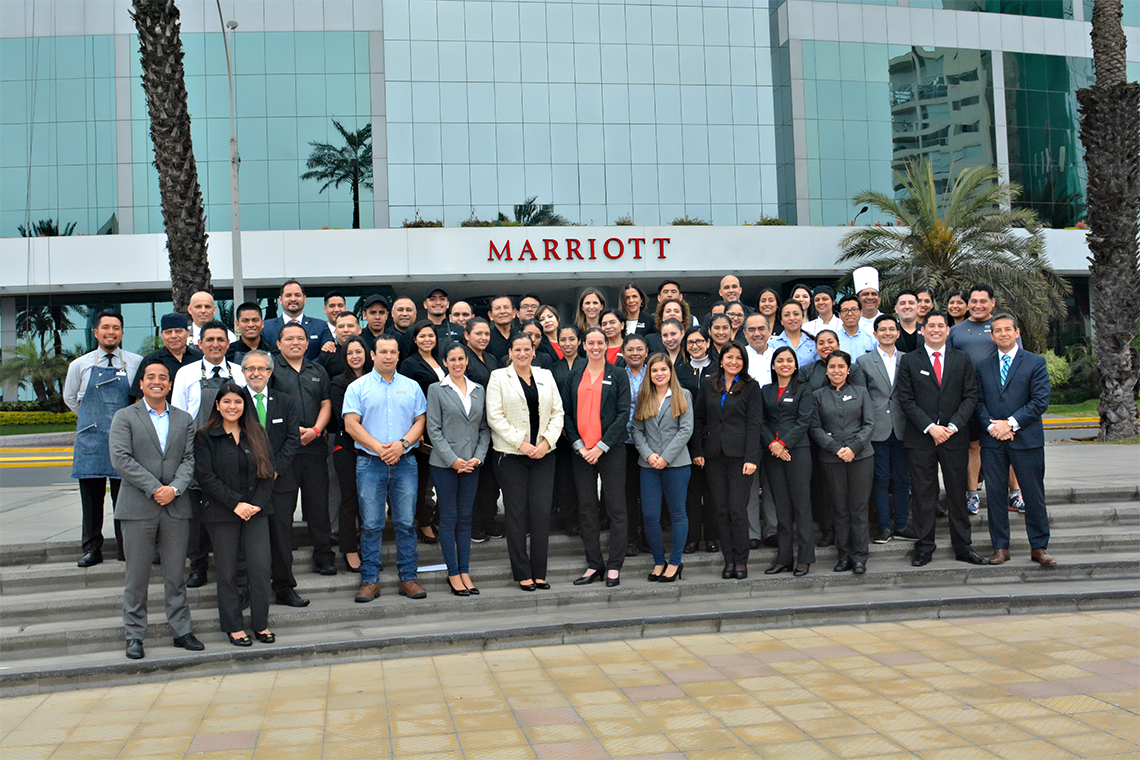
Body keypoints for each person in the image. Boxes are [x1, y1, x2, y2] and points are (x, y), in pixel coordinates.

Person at [109, 360, 203, 660]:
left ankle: (181, 630)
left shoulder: (184, 419)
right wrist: (155, 488)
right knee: (137, 578)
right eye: (151, 377)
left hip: (176, 506)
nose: (157, 381)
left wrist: (174, 489)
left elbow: (189, 459)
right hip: (138, 507)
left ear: (170, 384)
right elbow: (121, 459)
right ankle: (135, 635)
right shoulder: (125, 416)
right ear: (141, 383)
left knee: (176, 575)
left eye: (163, 377)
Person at [896, 312, 986, 567]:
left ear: (948, 330)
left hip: (954, 437)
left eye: (940, 326)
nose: (936, 329)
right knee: (923, 495)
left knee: (957, 493)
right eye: (931, 326)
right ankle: (925, 546)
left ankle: (963, 546)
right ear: (923, 330)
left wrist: (952, 426)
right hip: (921, 438)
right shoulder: (910, 360)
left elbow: (970, 396)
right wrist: (930, 427)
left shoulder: (962, 359)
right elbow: (906, 399)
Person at [342, 334, 428, 603]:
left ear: (399, 355)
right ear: (373, 355)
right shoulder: (358, 387)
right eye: (383, 352)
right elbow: (351, 425)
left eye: (393, 352)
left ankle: (409, 578)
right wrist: (380, 448)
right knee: (370, 525)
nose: (388, 356)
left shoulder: (412, 386)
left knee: (406, 523)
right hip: (370, 463)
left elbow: (420, 421)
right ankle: (369, 580)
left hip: (406, 462)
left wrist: (402, 445)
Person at [194, 383, 276, 647]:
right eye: (227, 402)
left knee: (261, 569)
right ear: (217, 405)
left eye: (238, 402)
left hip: (256, 512)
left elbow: (268, 472)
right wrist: (236, 504)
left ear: (245, 405)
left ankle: (260, 623)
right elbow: (205, 477)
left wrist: (255, 505)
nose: (232, 407)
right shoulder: (205, 436)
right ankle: (234, 627)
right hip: (222, 513)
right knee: (227, 572)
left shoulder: (257, 432)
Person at [486, 333, 565, 591]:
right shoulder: (498, 377)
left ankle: (540, 572)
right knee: (517, 513)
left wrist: (546, 442)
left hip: (544, 455)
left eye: (527, 349)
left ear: (533, 351)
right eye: (517, 349)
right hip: (511, 456)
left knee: (541, 512)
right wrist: (521, 443)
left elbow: (558, 412)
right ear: (510, 352)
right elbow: (495, 417)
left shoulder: (545, 375)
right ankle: (522, 571)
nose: (522, 353)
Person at [64, 309, 143, 567]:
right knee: (91, 500)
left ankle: (126, 548)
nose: (111, 332)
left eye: (116, 328)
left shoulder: (135, 362)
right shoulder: (80, 365)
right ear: (96, 332)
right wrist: (93, 420)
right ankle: (91, 549)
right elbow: (70, 398)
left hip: (125, 441)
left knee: (125, 500)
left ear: (122, 333)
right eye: (106, 327)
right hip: (91, 441)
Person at [171, 320, 246, 588]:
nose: (216, 344)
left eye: (221, 339)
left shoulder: (240, 373)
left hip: (233, 449)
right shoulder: (186, 373)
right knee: (198, 514)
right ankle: (198, 567)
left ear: (228, 343)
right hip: (198, 449)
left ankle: (238, 567)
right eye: (210, 340)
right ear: (199, 344)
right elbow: (178, 416)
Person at [976, 314, 1055, 566]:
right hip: (993, 441)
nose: (1003, 334)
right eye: (998, 330)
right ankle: (1001, 547)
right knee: (995, 495)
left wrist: (1010, 424)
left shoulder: (1035, 362)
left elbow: (1039, 401)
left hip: (1026, 439)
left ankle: (1039, 547)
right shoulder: (982, 366)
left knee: (1033, 494)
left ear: (1017, 332)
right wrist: (993, 427)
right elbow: (977, 402)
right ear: (992, 336)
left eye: (1007, 329)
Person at [950, 283, 1023, 516]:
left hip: (1001, 397)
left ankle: (1015, 494)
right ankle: (972, 494)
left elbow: (1017, 361)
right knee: (973, 446)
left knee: (1009, 443)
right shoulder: (956, 331)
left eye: (983, 301)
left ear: (992, 303)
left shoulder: (1002, 327)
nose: (978, 305)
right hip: (969, 398)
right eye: (973, 301)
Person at [565, 327, 630, 587]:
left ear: (606, 344)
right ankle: (594, 564)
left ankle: (614, 566)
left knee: (616, 508)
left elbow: (623, 414)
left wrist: (601, 446)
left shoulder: (618, 373)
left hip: (610, 450)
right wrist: (580, 446)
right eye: (590, 342)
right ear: (583, 345)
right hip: (581, 452)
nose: (595, 347)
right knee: (587, 508)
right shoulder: (574, 375)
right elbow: (566, 414)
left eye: (600, 342)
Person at [239, 350, 305, 607]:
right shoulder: (235, 400)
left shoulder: (285, 401)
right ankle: (246, 589)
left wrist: (275, 469)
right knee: (246, 539)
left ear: (270, 372)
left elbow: (292, 439)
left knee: (281, 536)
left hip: (280, 482)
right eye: (250, 369)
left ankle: (284, 587)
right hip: (245, 483)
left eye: (262, 368)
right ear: (243, 372)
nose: (256, 373)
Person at [270, 322, 336, 576]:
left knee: (318, 507)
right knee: (282, 511)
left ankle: (324, 557)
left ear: (308, 343)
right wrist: (292, 431)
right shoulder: (271, 369)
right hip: (283, 451)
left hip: (314, 448)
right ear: (279, 344)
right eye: (289, 338)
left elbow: (326, 404)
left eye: (300, 338)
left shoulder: (317, 369)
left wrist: (316, 430)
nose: (295, 342)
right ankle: (282, 562)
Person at [692, 342, 763, 580]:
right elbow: (699, 418)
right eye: (729, 357)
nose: (734, 362)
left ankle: (741, 560)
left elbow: (754, 424)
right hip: (713, 456)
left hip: (741, 457)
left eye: (739, 358)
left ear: (744, 362)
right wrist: (698, 450)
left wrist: (751, 457)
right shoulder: (708, 384)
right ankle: (728, 560)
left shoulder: (751, 387)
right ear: (721, 360)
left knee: (737, 509)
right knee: (721, 510)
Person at [427, 344, 491, 596]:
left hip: (471, 465)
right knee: (449, 518)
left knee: (465, 518)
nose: (457, 363)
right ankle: (452, 572)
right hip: (445, 465)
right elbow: (433, 429)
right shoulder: (436, 389)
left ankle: (465, 570)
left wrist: (478, 458)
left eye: (461, 359)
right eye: (452, 359)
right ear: (444, 362)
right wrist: (453, 460)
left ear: (467, 361)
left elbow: (484, 428)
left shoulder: (478, 389)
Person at [810, 351, 875, 575]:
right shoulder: (817, 396)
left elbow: (869, 424)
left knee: (858, 508)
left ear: (848, 370)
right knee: (839, 508)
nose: (836, 371)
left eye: (841, 366)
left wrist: (854, 448)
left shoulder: (861, 392)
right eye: (832, 367)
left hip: (861, 457)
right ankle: (844, 555)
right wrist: (835, 448)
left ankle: (860, 557)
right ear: (826, 370)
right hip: (832, 458)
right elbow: (815, 427)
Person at [631, 354, 693, 583]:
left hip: (676, 464)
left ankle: (675, 562)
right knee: (650, 515)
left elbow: (686, 430)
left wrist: (665, 458)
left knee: (677, 514)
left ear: (670, 371)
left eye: (663, 370)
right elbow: (636, 430)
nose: (659, 374)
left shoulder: (683, 395)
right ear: (649, 374)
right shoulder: (643, 396)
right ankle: (659, 561)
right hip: (649, 465)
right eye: (654, 370)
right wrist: (649, 455)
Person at [856, 316, 912, 544]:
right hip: (877, 428)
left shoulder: (908, 359)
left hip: (903, 427)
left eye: (891, 329)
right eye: (882, 329)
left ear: (898, 333)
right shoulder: (863, 361)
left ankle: (902, 525)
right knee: (880, 479)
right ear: (875, 334)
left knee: (902, 479)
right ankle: (884, 526)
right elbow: (861, 396)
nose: (887, 333)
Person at [760, 346, 816, 577]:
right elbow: (760, 421)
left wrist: (783, 444)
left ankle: (804, 558)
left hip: (797, 452)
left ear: (795, 365)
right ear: (773, 365)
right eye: (780, 360)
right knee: (781, 508)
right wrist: (772, 445)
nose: (785, 364)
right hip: (772, 454)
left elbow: (804, 421)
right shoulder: (765, 390)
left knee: (802, 506)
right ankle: (784, 559)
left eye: (789, 360)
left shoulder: (804, 389)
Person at [400, 320, 446, 544]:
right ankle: (424, 522)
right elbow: (406, 398)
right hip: (422, 430)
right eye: (422, 336)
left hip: (445, 429)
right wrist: (414, 430)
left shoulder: (442, 361)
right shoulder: (409, 364)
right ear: (415, 339)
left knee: (444, 478)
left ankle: (438, 519)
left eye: (431, 335)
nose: (427, 340)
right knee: (423, 480)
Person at [329, 335, 371, 572]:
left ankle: (369, 549)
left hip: (374, 450)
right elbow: (344, 419)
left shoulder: (377, 379)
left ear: (367, 354)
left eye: (358, 351)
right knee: (350, 500)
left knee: (369, 501)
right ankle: (349, 550)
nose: (355, 356)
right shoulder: (338, 382)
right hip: (347, 448)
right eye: (349, 353)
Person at [463, 317, 504, 543]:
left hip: (492, 424)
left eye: (487, 334)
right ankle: (473, 523)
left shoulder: (490, 358)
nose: (483, 337)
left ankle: (488, 519)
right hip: (472, 426)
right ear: (467, 335)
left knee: (490, 479)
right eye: (478, 333)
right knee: (474, 478)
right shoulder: (463, 358)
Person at [678, 326, 718, 554]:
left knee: (712, 491)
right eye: (691, 342)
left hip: (713, 437)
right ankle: (692, 538)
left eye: (699, 341)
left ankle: (712, 537)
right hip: (686, 439)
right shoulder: (680, 371)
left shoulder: (718, 368)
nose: (695, 346)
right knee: (691, 493)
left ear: (708, 343)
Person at [741, 313, 777, 548]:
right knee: (750, 482)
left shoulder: (779, 355)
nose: (757, 333)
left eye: (761, 328)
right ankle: (752, 532)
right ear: (744, 333)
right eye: (751, 329)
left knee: (773, 481)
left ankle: (773, 529)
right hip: (747, 428)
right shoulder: (739, 357)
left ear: (769, 330)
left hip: (775, 427)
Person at [551, 325, 586, 536]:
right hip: (561, 433)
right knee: (565, 479)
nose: (567, 344)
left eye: (572, 339)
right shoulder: (554, 368)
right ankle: (570, 520)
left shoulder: (588, 365)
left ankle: (587, 518)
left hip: (586, 431)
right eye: (563, 339)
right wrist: (562, 426)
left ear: (579, 341)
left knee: (584, 479)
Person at [131, 312, 202, 403]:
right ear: (162, 334)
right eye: (168, 332)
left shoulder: (200, 359)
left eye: (178, 331)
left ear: (188, 332)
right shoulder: (150, 360)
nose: (173, 336)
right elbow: (139, 398)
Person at [621, 334, 650, 556]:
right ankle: (630, 538)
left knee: (649, 494)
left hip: (652, 442)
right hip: (626, 443)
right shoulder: (618, 375)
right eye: (630, 349)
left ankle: (649, 538)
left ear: (646, 352)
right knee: (629, 493)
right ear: (623, 352)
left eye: (639, 349)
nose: (635, 353)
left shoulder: (656, 372)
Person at [262, 280, 335, 360]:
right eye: (288, 295)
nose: (293, 299)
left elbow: (328, 354)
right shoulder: (266, 327)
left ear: (304, 299)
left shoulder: (320, 326)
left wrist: (307, 366)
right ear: (280, 300)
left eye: (297, 295)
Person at [315, 311, 363, 380]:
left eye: (350, 326)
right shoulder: (327, 355)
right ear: (335, 332)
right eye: (341, 327)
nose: (346, 330)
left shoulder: (368, 353)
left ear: (359, 330)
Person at [769, 301, 818, 367]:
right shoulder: (772, 344)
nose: (792, 318)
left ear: (802, 318)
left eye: (796, 314)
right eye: (787, 315)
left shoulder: (813, 342)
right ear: (781, 321)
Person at [422, 285, 464, 350]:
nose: (438, 302)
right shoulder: (414, 330)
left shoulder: (460, 330)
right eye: (432, 299)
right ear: (425, 305)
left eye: (442, 299)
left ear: (447, 304)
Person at [853, 266, 883, 334]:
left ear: (879, 299)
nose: (870, 297)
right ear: (857, 299)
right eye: (865, 294)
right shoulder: (848, 323)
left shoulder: (889, 321)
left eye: (874, 294)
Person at [488, 295, 518, 360]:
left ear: (514, 313)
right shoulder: (486, 338)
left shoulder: (520, 335)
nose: (502, 311)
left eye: (506, 307)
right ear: (490, 315)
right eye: (497, 308)